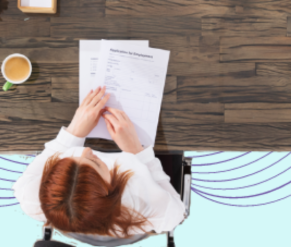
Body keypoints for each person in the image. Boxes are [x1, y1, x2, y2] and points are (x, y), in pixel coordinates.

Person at [13, 87, 185, 243]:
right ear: (113, 188)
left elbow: (29, 178)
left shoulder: (32, 198)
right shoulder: (143, 198)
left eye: (68, 159)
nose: (86, 149)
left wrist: (74, 132)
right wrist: (136, 151)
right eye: (95, 161)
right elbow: (177, 215)